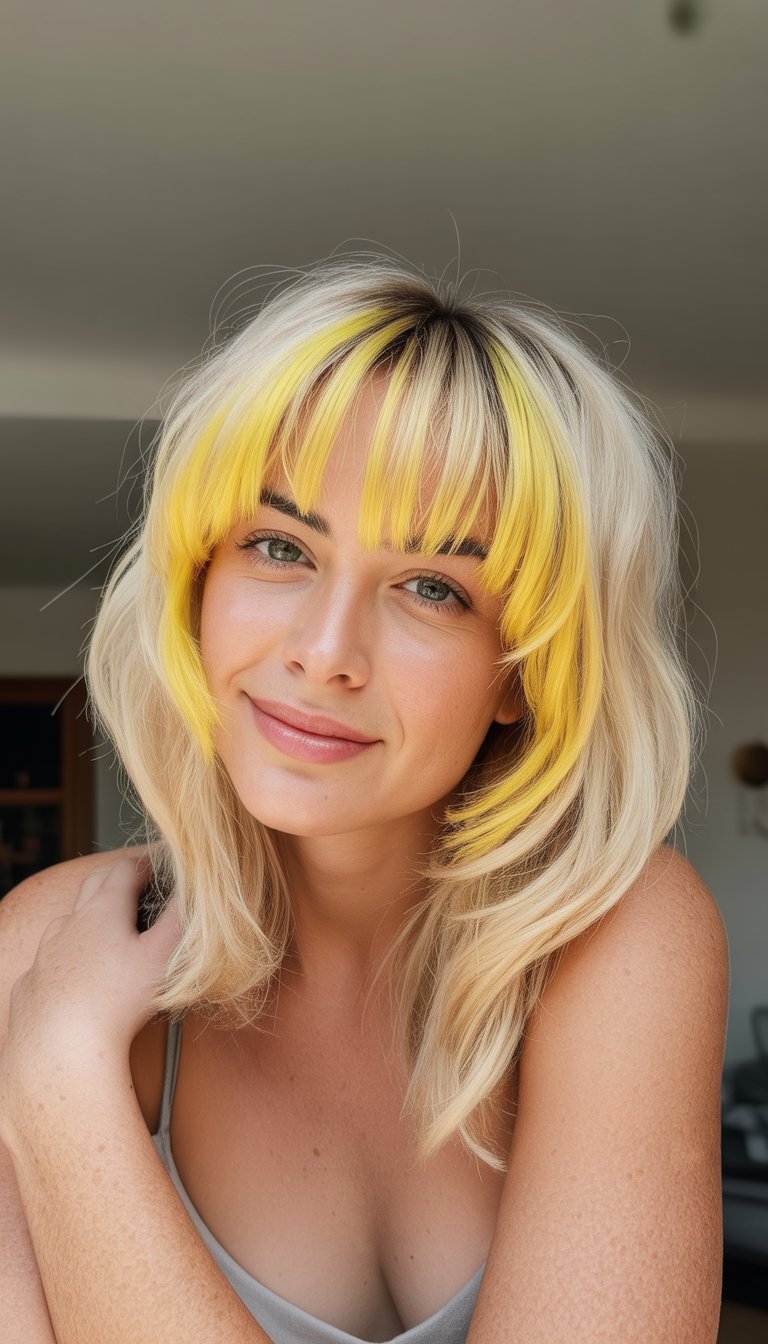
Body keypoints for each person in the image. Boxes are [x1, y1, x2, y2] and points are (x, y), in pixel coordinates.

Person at [0, 255, 729, 1344]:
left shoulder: (619, 934)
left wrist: (58, 1086)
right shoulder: (33, 947)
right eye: (280, 547)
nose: (325, 653)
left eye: (433, 588)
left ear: (526, 670)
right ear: (200, 581)